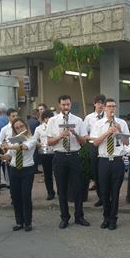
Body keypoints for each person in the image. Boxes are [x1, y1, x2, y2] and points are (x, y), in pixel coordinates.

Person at [47, 95, 90, 229]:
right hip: (59, 156)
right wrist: (60, 136)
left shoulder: (78, 120)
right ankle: (64, 217)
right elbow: (48, 142)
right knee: (62, 189)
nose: (66, 107)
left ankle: (79, 216)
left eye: (68, 105)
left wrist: (75, 133)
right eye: (64, 105)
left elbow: (83, 142)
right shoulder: (53, 121)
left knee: (77, 188)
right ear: (59, 105)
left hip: (74, 156)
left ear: (71, 105)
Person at [91, 98, 130, 230]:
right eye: (109, 106)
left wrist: (119, 132)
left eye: (113, 106)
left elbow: (127, 143)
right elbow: (95, 143)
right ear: (104, 108)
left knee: (115, 192)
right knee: (104, 192)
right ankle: (106, 217)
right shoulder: (99, 124)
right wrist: (107, 132)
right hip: (103, 161)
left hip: (117, 160)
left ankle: (113, 218)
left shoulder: (122, 123)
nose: (111, 109)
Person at [0, 118, 37, 232]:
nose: (20, 129)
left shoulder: (32, 138)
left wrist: (9, 146)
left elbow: (24, 147)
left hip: (27, 170)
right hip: (14, 169)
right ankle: (19, 222)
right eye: (17, 128)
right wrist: (0, 154)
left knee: (25, 196)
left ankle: (28, 222)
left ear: (26, 126)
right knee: (15, 197)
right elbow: (9, 156)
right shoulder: (13, 140)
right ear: (14, 130)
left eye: (21, 126)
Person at [83, 94, 106, 207]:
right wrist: (94, 138)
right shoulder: (89, 118)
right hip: (93, 146)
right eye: (98, 103)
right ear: (94, 104)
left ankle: (108, 196)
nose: (100, 105)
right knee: (96, 172)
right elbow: (84, 135)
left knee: (105, 171)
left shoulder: (108, 116)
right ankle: (100, 197)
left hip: (106, 146)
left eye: (102, 103)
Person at [34, 109, 55, 200]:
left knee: (58, 173)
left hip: (55, 151)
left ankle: (61, 191)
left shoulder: (56, 127)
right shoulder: (39, 128)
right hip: (45, 152)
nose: (48, 119)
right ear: (43, 119)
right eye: (46, 118)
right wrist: (40, 145)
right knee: (47, 174)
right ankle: (50, 192)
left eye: (50, 117)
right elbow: (34, 140)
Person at [0, 108, 18, 188]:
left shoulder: (21, 127)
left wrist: (11, 142)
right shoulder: (4, 129)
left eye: (16, 115)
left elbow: (25, 138)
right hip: (10, 156)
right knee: (12, 178)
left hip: (21, 155)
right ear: (8, 117)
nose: (15, 117)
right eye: (13, 116)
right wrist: (3, 147)